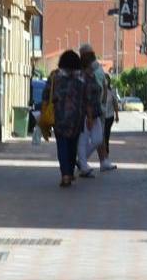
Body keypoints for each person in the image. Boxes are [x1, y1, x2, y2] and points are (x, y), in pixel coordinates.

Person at [44, 50, 97, 188]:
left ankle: (65, 175)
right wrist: (90, 117)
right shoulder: (82, 78)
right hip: (76, 117)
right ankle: (70, 172)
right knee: (72, 146)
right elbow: (88, 99)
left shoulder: (54, 76)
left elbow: (45, 96)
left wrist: (44, 114)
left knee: (62, 146)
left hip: (59, 116)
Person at [76, 46, 107, 178]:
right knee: (83, 140)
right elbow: (86, 97)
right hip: (85, 113)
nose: (96, 63)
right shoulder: (82, 77)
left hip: (95, 112)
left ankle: (81, 160)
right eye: (93, 60)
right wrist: (88, 116)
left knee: (98, 138)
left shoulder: (92, 75)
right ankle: (83, 165)